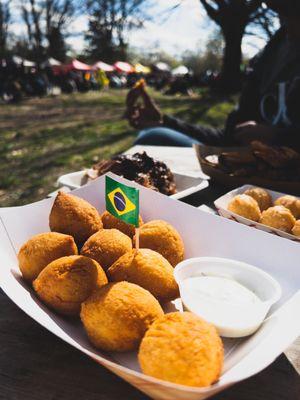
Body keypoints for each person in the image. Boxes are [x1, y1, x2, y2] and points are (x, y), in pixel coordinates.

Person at [125, 0, 300, 150]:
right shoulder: (271, 56)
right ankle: (104, 189)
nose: (288, 29)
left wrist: (279, 138)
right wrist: (165, 122)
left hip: (285, 182)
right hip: (240, 168)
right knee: (153, 136)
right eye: (281, 15)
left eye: (293, 14)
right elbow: (228, 139)